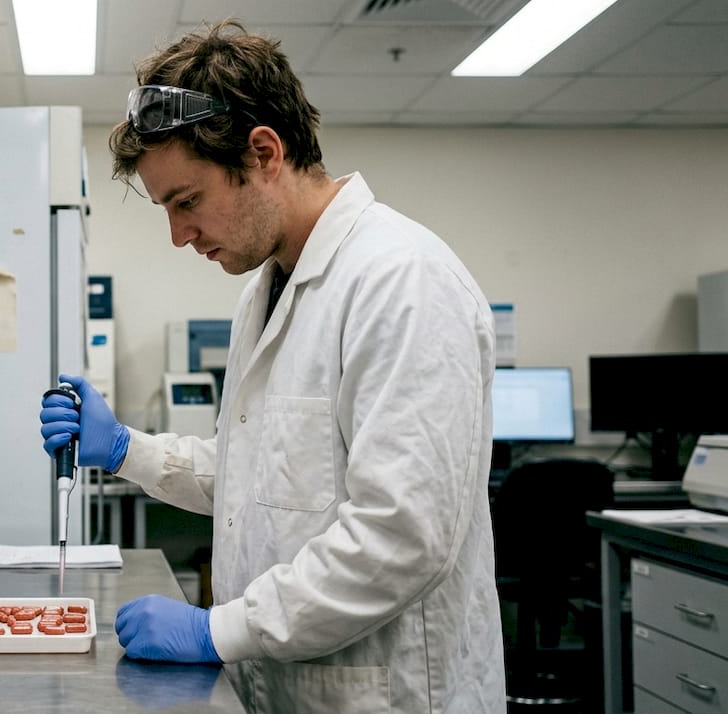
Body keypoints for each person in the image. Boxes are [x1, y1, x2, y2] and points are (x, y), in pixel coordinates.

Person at [39, 19, 505, 713]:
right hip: (289, 689)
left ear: (263, 152)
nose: (178, 235)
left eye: (187, 201)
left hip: (388, 695)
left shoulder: (402, 282)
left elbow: (401, 538)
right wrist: (126, 449)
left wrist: (217, 630)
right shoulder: (265, 292)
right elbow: (261, 478)